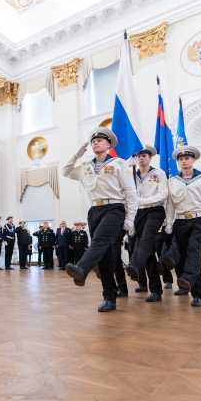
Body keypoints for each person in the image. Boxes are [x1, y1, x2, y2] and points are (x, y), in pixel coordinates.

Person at [62, 127, 138, 312]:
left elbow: (131, 193)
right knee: (103, 256)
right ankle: (109, 298)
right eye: (93, 141)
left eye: (100, 140)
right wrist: (76, 156)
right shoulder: (86, 166)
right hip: (94, 209)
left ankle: (82, 268)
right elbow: (66, 172)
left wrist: (130, 218)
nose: (95, 143)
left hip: (114, 208)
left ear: (108, 144)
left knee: (99, 240)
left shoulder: (119, 163)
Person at [163, 146, 201, 307]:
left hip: (199, 219)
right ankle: (197, 292)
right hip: (180, 222)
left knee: (194, 249)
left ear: (193, 160)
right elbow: (171, 204)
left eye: (187, 158)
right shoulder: (173, 181)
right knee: (188, 256)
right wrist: (169, 222)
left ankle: (188, 281)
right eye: (181, 159)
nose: (184, 161)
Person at [124, 145, 168, 302]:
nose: (141, 158)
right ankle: (156, 290)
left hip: (155, 211)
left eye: (144, 155)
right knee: (148, 252)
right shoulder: (131, 176)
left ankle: (135, 265)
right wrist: (131, 221)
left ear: (150, 157)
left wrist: (143, 201)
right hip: (138, 213)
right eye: (138, 155)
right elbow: (127, 197)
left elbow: (163, 195)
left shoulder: (159, 173)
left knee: (147, 239)